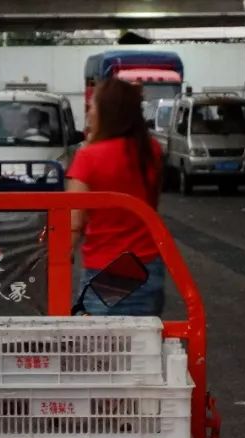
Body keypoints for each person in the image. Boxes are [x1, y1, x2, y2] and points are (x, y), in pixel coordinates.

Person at [66, 78, 165, 316]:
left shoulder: (89, 158)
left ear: (106, 113)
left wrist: (56, 259)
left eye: (92, 106)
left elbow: (73, 223)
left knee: (98, 348)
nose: (88, 112)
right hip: (147, 264)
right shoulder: (151, 150)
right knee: (141, 345)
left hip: (109, 271)